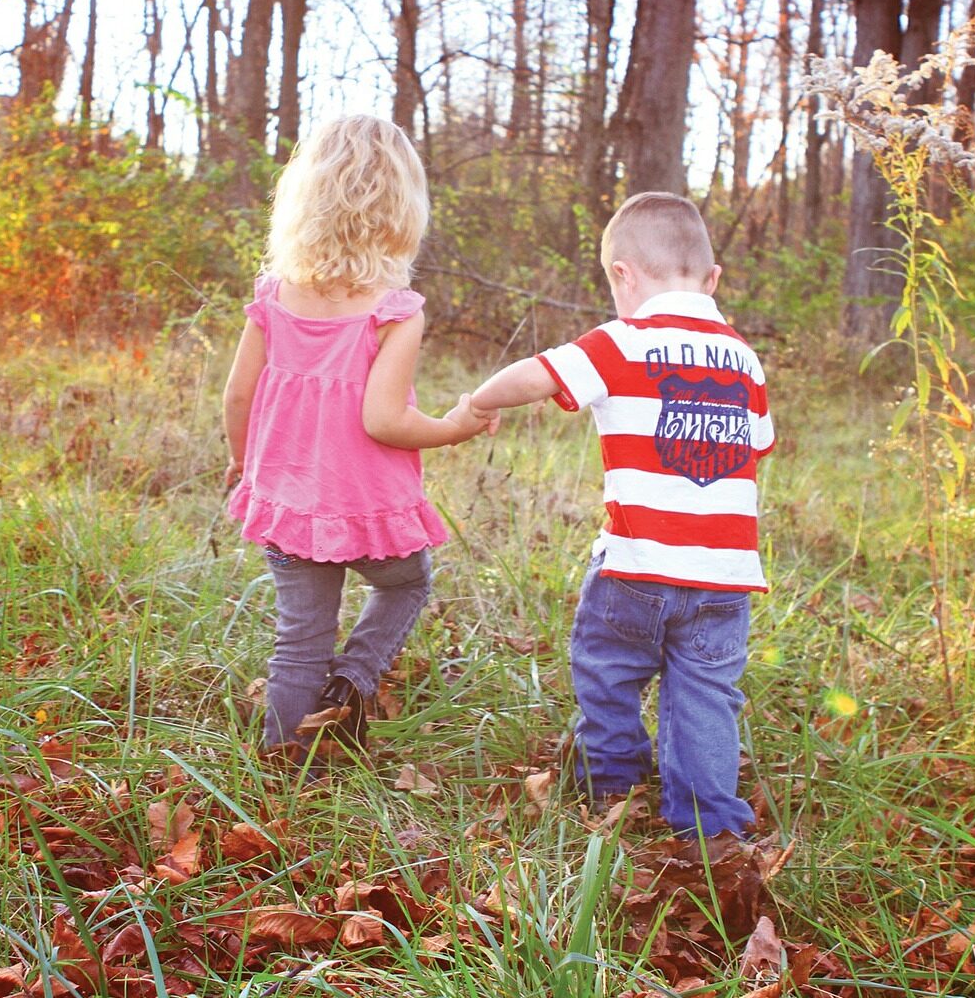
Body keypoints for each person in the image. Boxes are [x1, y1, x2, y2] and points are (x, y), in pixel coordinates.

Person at [466, 191, 773, 838]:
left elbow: (539, 375)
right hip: (724, 576)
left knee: (607, 670)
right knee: (707, 697)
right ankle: (710, 826)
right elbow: (759, 443)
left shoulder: (623, 340)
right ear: (712, 279)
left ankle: (612, 785)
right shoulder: (744, 359)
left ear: (622, 275)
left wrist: (480, 400)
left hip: (635, 563)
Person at [223, 115, 492, 762]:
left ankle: (282, 771)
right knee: (406, 583)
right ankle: (353, 680)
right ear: (402, 207)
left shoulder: (275, 297)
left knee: (299, 640)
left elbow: (237, 395)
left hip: (288, 503)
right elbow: (384, 421)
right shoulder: (393, 312)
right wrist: (455, 426)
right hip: (365, 508)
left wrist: (243, 465)